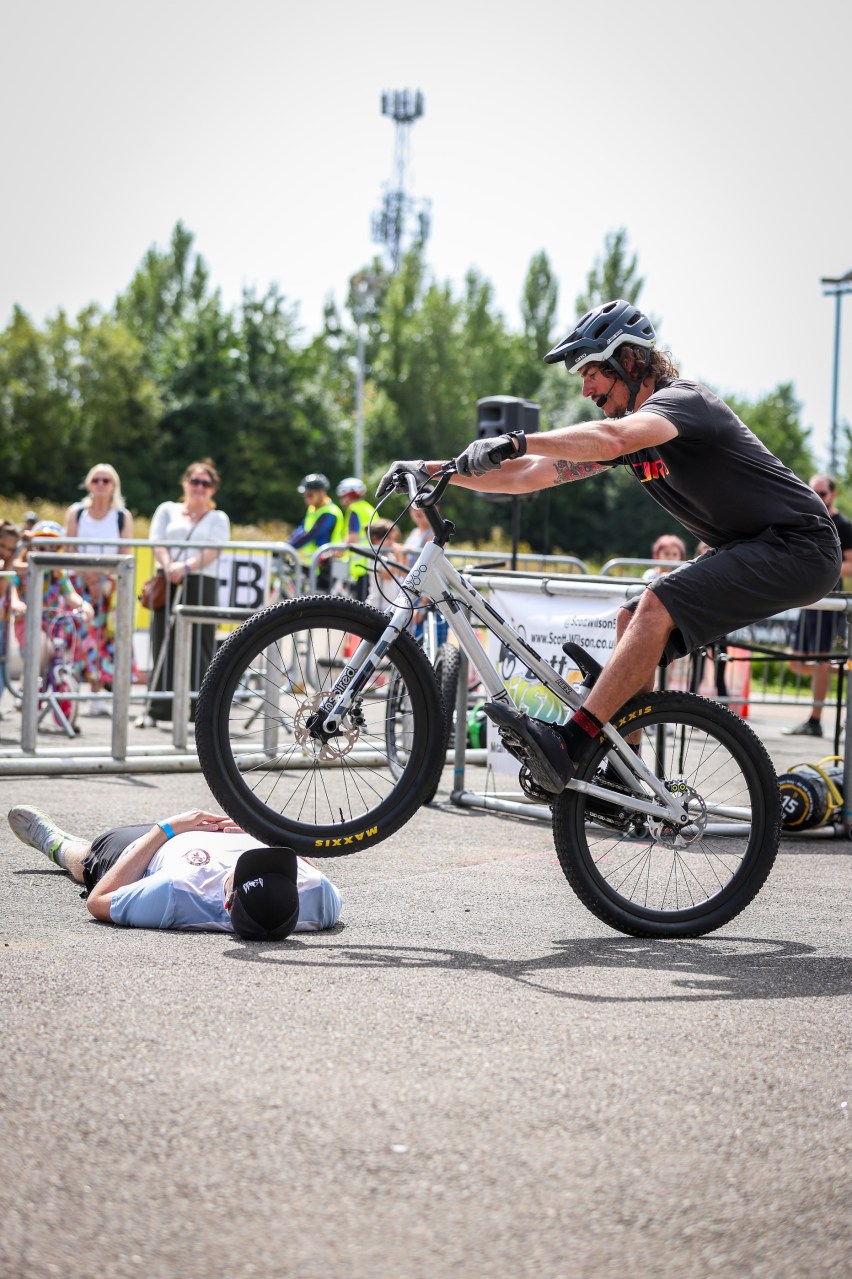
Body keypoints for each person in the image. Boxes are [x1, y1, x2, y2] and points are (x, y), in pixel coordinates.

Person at [377, 298, 842, 796]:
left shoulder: (682, 403)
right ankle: (626, 778)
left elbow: (611, 438)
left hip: (801, 546)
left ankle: (572, 742)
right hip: (754, 546)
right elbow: (525, 475)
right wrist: (434, 469)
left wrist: (516, 439)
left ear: (631, 360)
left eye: (593, 372)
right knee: (633, 619)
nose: (586, 389)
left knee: (657, 604)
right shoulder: (632, 438)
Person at [7, 803, 342, 938]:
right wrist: (261, 835)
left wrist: (166, 829)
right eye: (273, 866)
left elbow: (99, 900)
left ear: (227, 902)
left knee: (94, 858)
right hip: (228, 827)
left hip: (155, 848)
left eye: (244, 871)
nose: (259, 859)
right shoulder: (320, 898)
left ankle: (57, 844)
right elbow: (301, 861)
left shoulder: (177, 893)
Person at [141, 460, 230, 726]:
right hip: (167, 579)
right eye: (195, 481)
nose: (199, 487)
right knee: (163, 639)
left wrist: (187, 567)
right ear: (185, 483)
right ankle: (158, 708)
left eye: (205, 483)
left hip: (202, 580)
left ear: (212, 488)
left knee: (201, 643)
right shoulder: (167, 510)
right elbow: (157, 541)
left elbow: (214, 549)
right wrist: (170, 566)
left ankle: (197, 708)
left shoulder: (218, 517)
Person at [782, 474, 852, 737]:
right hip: (809, 599)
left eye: (822, 493)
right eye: (813, 491)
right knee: (795, 661)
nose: (818, 497)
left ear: (833, 494)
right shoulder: (808, 519)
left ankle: (815, 720)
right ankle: (843, 670)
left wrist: (821, 565)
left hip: (830, 603)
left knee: (821, 660)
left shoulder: (843, 525)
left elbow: (851, 564)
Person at [64, 463, 135, 716]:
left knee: (106, 640)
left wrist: (101, 577)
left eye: (106, 480)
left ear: (114, 485)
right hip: (80, 586)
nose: (101, 485)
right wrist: (89, 575)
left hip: (110, 588)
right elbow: (69, 549)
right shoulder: (76, 513)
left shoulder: (122, 516)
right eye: (96, 480)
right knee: (81, 637)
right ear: (88, 484)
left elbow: (125, 553)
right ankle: (70, 692)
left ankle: (98, 693)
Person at [10, 521, 94, 679]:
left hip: (53, 624)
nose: (47, 552)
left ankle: (53, 688)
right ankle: (27, 684)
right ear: (32, 548)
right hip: (27, 623)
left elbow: (69, 594)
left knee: (59, 654)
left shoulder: (58, 574)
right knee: (42, 646)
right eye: (42, 547)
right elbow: (13, 590)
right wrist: (16, 603)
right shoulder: (23, 570)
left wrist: (84, 605)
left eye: (52, 548)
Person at [286, 473, 345, 591]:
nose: (306, 497)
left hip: (329, 563)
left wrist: (288, 548)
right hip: (315, 562)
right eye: (304, 494)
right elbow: (301, 531)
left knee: (322, 600)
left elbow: (312, 534)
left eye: (310, 494)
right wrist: (286, 545)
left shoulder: (330, 512)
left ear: (321, 493)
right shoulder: (312, 509)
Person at [336, 477, 377, 601]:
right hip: (372, 563)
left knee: (360, 606)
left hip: (360, 566)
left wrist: (337, 551)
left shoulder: (354, 510)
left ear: (347, 496)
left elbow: (353, 536)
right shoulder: (370, 509)